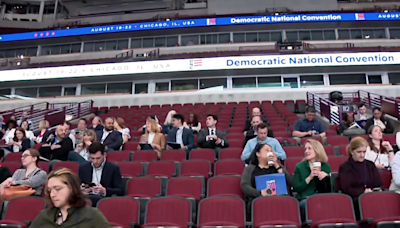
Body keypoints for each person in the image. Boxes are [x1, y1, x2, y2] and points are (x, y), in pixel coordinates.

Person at [29, 168, 111, 228]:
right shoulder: (44, 216)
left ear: (72, 188)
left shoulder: (92, 215)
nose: (52, 195)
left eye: (57, 189)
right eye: (50, 190)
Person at [241, 143, 292, 219]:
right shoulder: (250, 169)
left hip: (279, 200)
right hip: (259, 200)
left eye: (271, 151)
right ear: (258, 154)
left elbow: (290, 181)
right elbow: (244, 185)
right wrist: (260, 193)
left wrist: (277, 165)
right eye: (266, 150)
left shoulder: (277, 167)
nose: (270, 153)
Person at [338, 137, 382, 218]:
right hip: (355, 199)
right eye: (359, 152)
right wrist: (363, 191)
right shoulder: (345, 167)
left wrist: (372, 191)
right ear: (352, 152)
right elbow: (346, 188)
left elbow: (378, 183)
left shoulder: (370, 165)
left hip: (372, 196)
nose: (362, 155)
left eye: (364, 152)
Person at [78, 142, 123, 206]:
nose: (95, 161)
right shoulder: (83, 168)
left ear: (104, 155)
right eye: (92, 158)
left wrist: (104, 190)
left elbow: (120, 190)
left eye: (98, 158)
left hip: (104, 201)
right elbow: (77, 186)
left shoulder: (113, 168)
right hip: (86, 200)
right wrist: (82, 189)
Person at [293, 139, 331, 206]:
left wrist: (327, 178)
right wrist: (309, 177)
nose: (306, 151)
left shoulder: (325, 166)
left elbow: (332, 188)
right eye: (305, 149)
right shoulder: (299, 166)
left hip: (324, 197)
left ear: (317, 150)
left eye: (309, 148)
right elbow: (296, 188)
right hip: (306, 198)